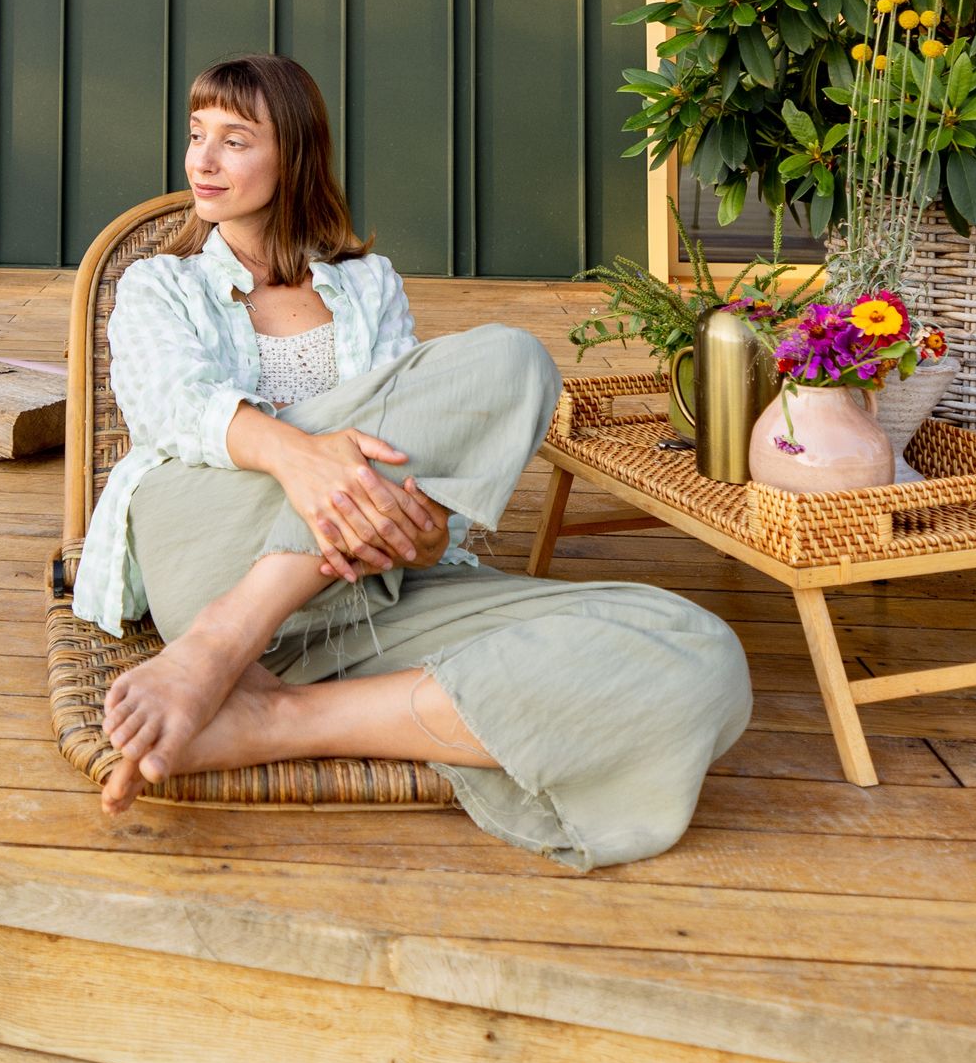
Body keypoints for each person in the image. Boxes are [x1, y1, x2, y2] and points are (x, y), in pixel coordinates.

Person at [72, 53, 753, 871]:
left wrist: (425, 535)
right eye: (196, 136)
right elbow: (169, 407)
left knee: (701, 652)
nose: (202, 162)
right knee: (495, 366)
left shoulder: (368, 285)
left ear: (295, 154)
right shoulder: (161, 283)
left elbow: (420, 448)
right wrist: (301, 458)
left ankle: (273, 719)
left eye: (235, 139)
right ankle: (221, 645)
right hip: (209, 553)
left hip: (362, 587)